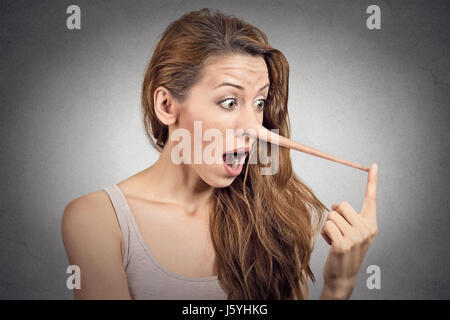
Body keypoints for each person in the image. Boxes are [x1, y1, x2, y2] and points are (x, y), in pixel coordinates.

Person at [61, 8, 378, 300]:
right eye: (229, 102)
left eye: (260, 103)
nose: (254, 127)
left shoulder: (277, 215)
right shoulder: (98, 221)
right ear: (166, 106)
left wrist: (339, 286)